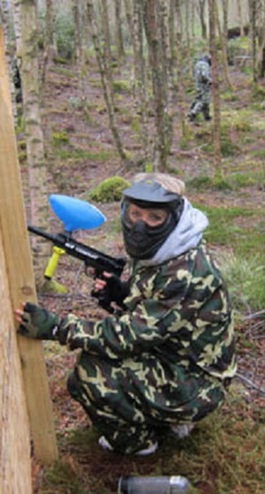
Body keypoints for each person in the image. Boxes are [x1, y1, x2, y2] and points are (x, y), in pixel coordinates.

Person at [15, 173, 237, 456]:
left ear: (173, 217)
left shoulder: (185, 271)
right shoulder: (170, 247)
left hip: (198, 379)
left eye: (154, 217)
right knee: (86, 376)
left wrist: (56, 327)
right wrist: (122, 293)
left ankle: (140, 444)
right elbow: (157, 309)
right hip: (176, 355)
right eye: (135, 214)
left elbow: (127, 337)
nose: (140, 225)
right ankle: (165, 417)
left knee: (91, 372)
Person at [188, 55, 212, 122]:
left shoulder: (197, 64)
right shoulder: (204, 65)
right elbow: (204, 75)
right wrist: (210, 80)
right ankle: (193, 113)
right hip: (204, 86)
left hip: (198, 85)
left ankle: (207, 117)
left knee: (199, 99)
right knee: (204, 101)